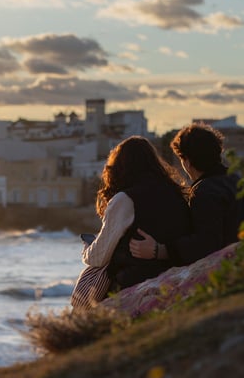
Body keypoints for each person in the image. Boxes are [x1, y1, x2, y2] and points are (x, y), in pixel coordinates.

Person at [71, 136, 191, 311]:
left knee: (79, 313)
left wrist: (87, 249)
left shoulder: (125, 199)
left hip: (134, 280)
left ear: (119, 167)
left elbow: (98, 257)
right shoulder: (175, 194)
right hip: (171, 273)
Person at [129, 123, 241, 265]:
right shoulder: (236, 180)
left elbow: (206, 243)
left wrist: (159, 250)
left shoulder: (204, 192)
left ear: (187, 162)